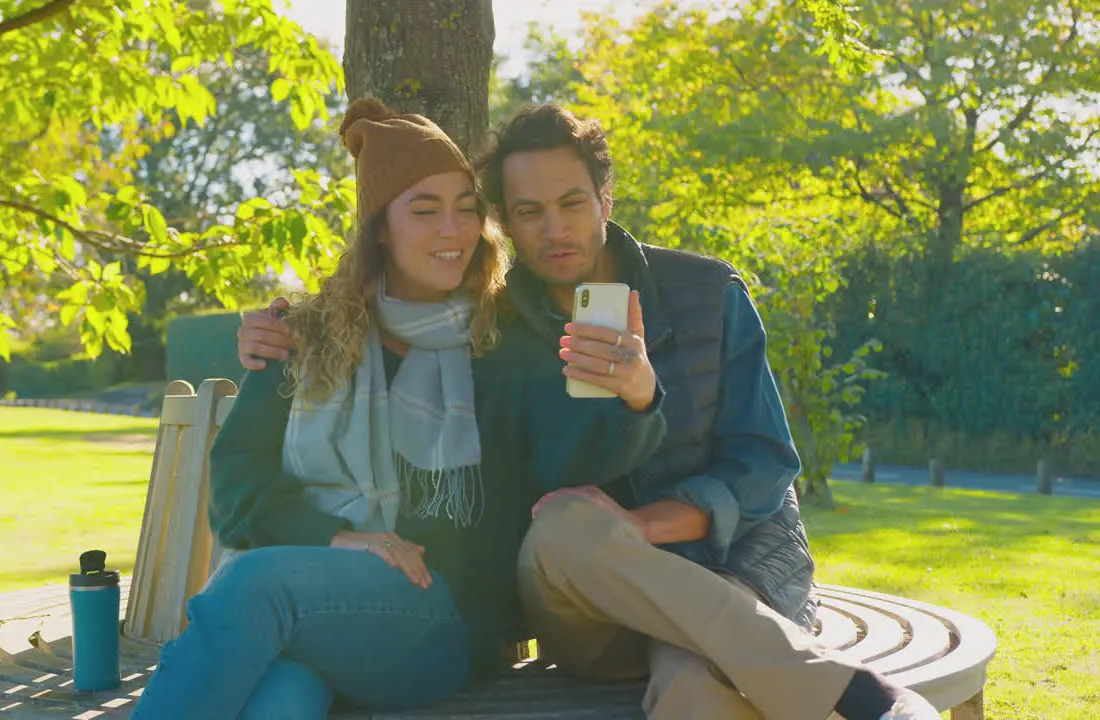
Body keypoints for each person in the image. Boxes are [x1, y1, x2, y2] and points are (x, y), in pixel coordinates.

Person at [237, 104, 941, 720]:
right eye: (528, 212)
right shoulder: (495, 325)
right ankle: (857, 695)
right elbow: (388, 330)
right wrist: (290, 325)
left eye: (572, 202)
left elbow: (765, 465)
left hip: (734, 579)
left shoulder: (706, 293)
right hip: (583, 602)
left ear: (605, 197)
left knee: (696, 692)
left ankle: (840, 692)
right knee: (567, 527)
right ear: (504, 223)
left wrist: (639, 506)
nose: (555, 230)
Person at [130, 98, 668, 720]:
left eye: (466, 210)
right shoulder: (307, 338)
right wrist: (342, 540)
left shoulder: (502, 343)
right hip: (320, 610)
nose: (453, 231)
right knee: (284, 697)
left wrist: (637, 396)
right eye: (425, 211)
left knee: (254, 586)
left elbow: (569, 458)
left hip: (443, 627)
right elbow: (236, 487)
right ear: (380, 228)